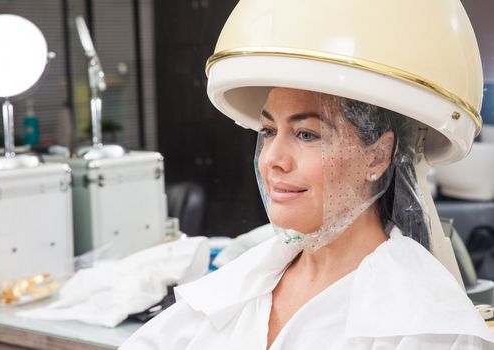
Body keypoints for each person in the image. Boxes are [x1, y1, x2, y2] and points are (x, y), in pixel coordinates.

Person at [121, 0, 494, 348]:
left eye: (306, 134)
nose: (272, 159)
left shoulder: (429, 325)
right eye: (268, 131)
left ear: (378, 156)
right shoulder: (237, 285)